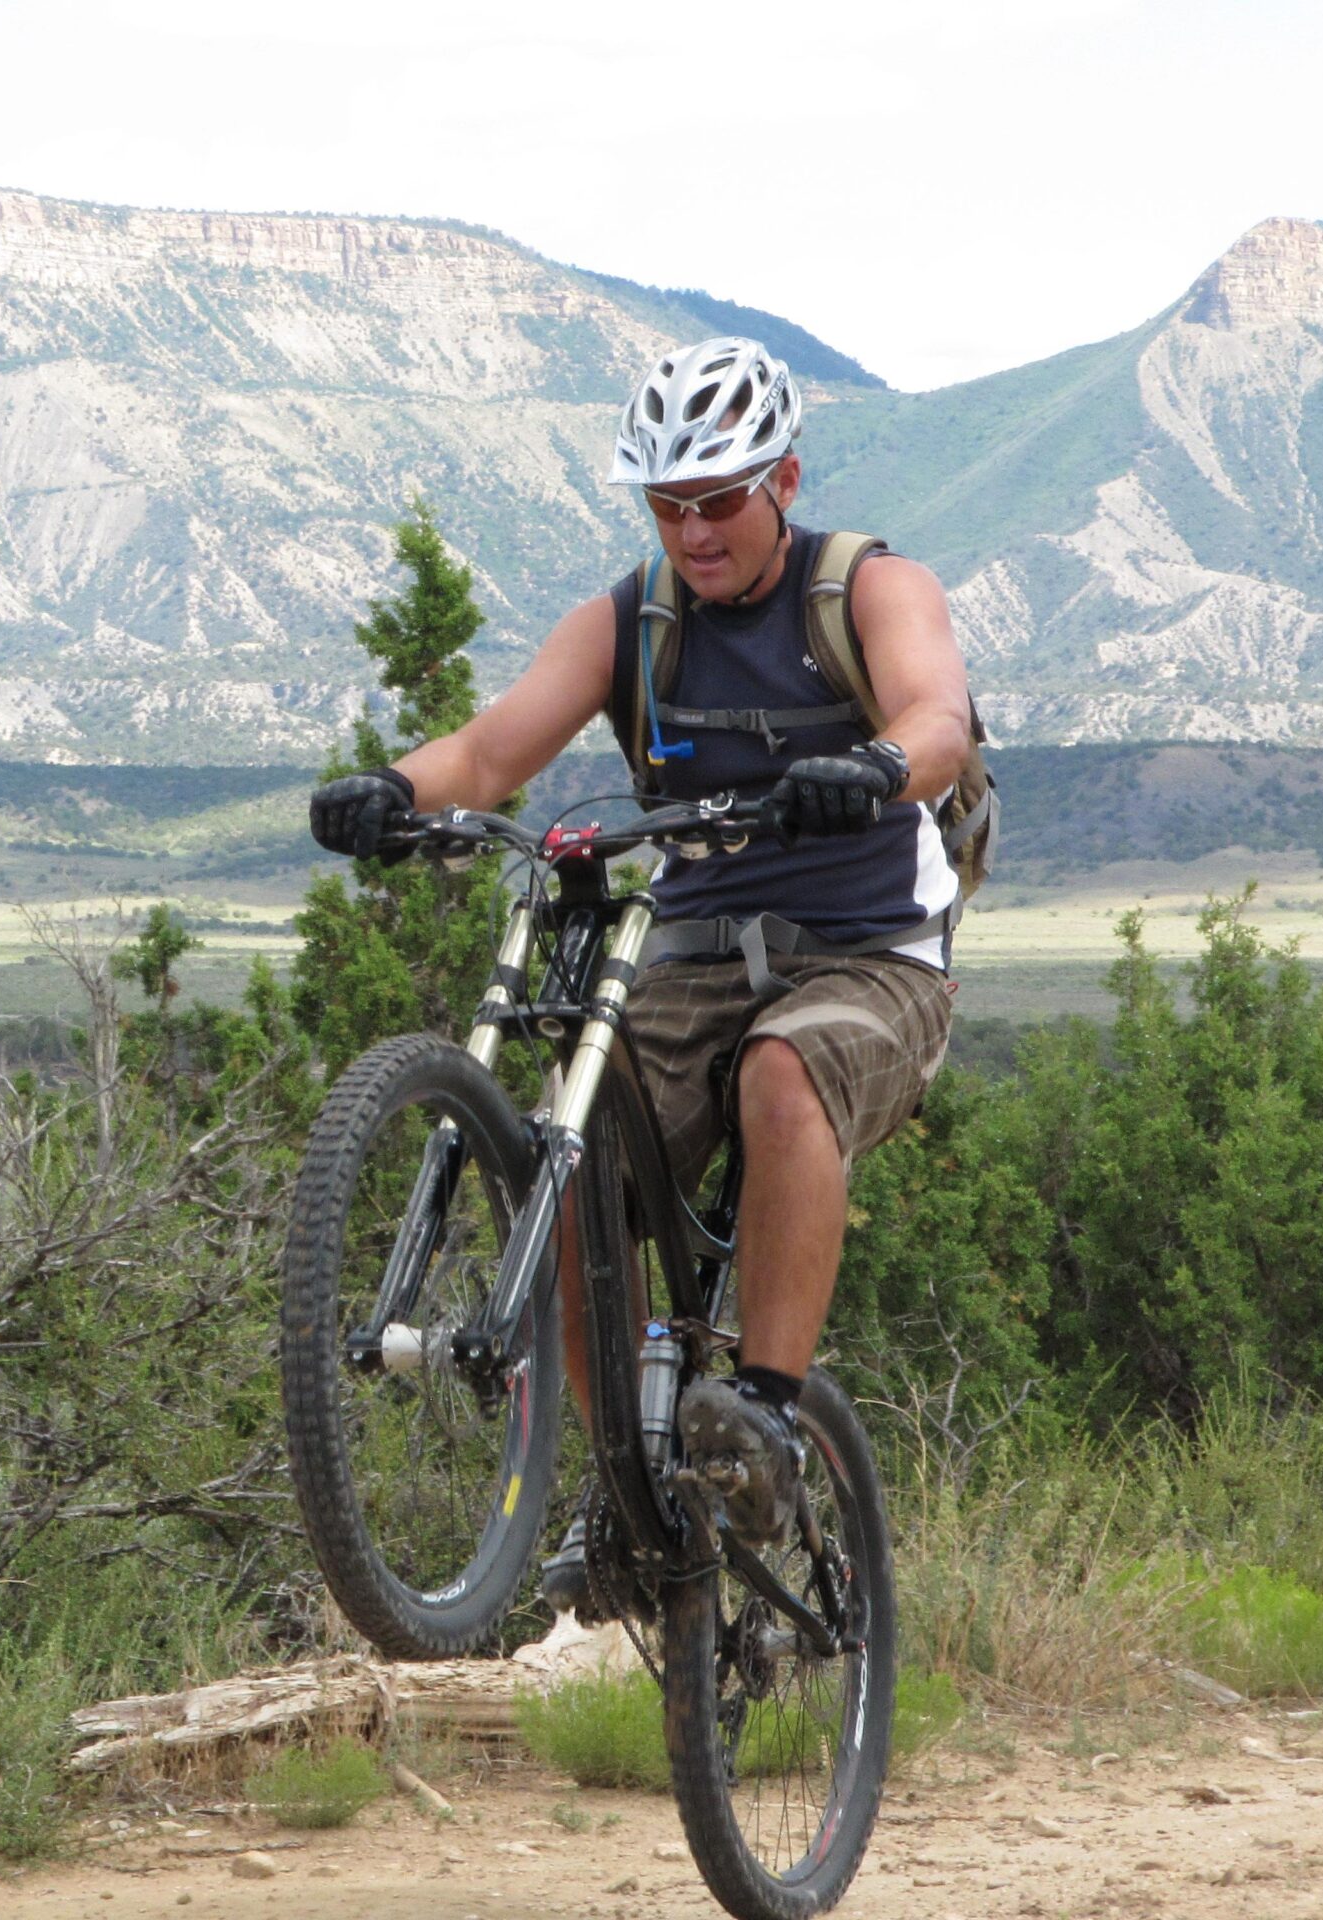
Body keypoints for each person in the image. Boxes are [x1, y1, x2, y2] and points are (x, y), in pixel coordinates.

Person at [307, 337, 972, 1605]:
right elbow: (494, 750)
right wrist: (392, 791)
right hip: (694, 953)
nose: (694, 528)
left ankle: (765, 1420)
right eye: (667, 503)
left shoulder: (866, 590)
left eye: (718, 497)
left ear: (781, 478)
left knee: (784, 1075)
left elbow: (935, 716)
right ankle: (627, 1475)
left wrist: (878, 768)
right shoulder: (631, 620)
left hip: (868, 957)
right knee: (570, 1153)